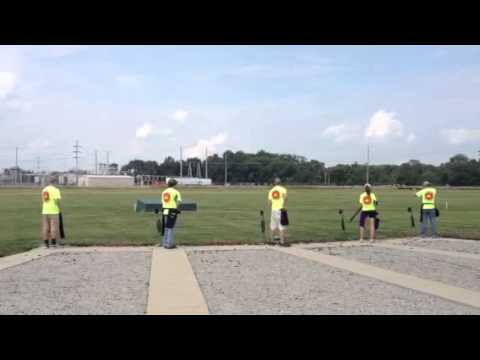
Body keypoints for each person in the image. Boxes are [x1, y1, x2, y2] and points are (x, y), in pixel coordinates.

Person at [268, 177, 289, 246]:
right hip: (281, 210)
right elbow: (286, 198)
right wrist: (284, 206)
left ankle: (272, 241)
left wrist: (271, 208)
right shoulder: (283, 189)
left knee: (272, 226)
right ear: (280, 183)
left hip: (273, 210)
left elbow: (269, 202)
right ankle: (282, 242)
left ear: (274, 183)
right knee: (281, 226)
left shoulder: (271, 190)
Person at [161, 178, 182, 249]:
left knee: (166, 227)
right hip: (172, 210)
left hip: (164, 210)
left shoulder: (164, 191)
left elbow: (163, 201)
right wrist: (176, 207)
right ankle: (169, 244)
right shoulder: (176, 192)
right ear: (174, 184)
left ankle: (164, 243)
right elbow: (179, 202)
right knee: (170, 227)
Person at [41, 176, 62, 248]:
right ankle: (53, 243)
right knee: (53, 226)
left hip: (45, 210)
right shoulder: (56, 190)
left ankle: (46, 243)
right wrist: (59, 208)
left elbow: (44, 200)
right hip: (53, 210)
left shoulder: (44, 189)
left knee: (45, 227)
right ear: (55, 182)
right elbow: (57, 201)